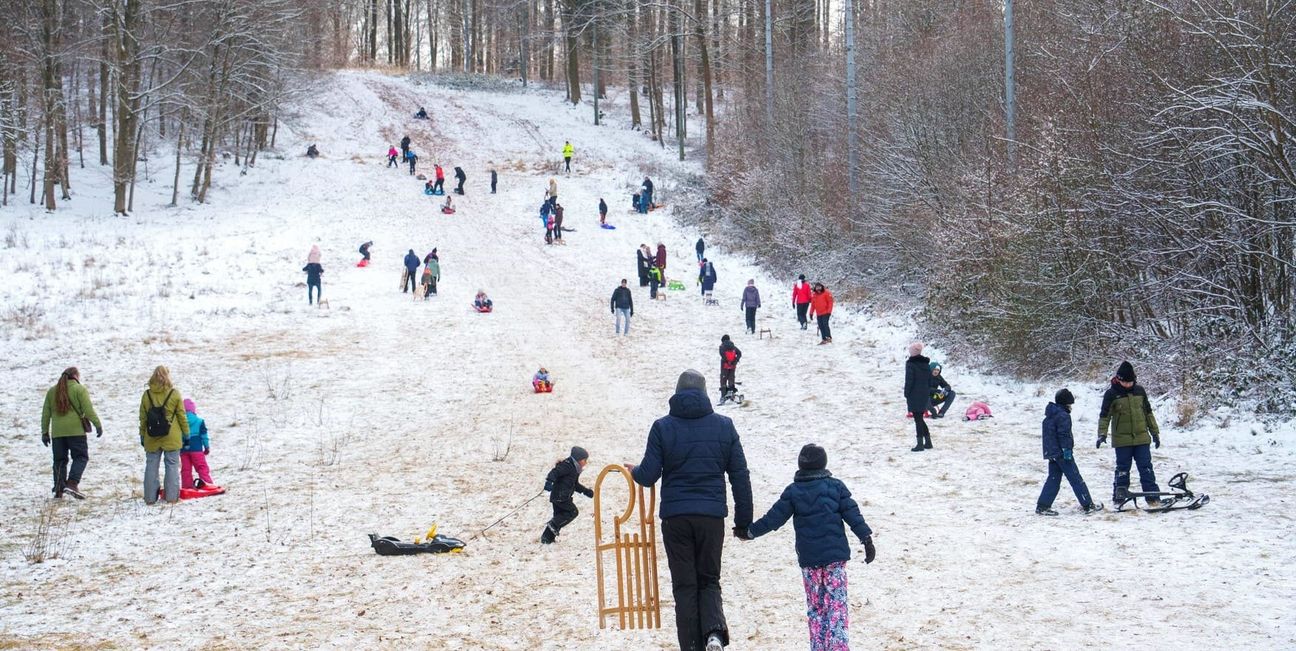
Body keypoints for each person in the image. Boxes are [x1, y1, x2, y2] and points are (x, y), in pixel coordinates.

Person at [628, 370, 751, 651]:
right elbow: (740, 475)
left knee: (685, 585)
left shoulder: (662, 427)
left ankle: (692, 646)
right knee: (709, 579)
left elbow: (648, 476)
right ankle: (714, 633)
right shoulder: (725, 426)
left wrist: (634, 471)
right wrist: (743, 521)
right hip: (711, 517)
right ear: (705, 393)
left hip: (676, 518)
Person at [737, 444, 875, 651]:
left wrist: (750, 532)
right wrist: (866, 539)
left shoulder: (794, 491)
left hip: (810, 560)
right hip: (834, 560)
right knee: (836, 605)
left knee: (816, 606)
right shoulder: (836, 487)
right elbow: (852, 515)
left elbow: (774, 519)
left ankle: (818, 646)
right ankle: (838, 647)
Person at [1097, 361, 1162, 506]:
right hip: (1122, 440)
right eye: (1125, 382)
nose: (1128, 385)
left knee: (1146, 468)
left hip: (1142, 438)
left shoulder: (1140, 391)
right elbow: (1104, 416)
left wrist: (1155, 433)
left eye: (1130, 382)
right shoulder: (1111, 394)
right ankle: (1120, 496)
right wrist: (1102, 434)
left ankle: (1153, 496)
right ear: (1119, 379)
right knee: (1122, 469)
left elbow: (1148, 413)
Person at [41, 367, 103, 499]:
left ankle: (59, 489)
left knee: (59, 461)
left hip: (57, 433)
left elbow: (46, 414)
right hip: (76, 432)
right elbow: (88, 410)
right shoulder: (79, 389)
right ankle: (72, 483)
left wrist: (45, 432)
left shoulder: (52, 391)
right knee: (81, 457)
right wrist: (97, 425)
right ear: (75, 376)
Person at [1037, 390, 1101, 515]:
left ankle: (1043, 506)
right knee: (1075, 478)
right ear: (1066, 404)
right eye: (1070, 404)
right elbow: (1064, 435)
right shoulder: (1063, 416)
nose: (1071, 407)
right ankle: (1088, 504)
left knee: (1053, 479)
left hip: (1052, 453)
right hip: (1062, 454)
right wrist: (1067, 450)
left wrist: (1050, 453)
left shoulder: (1050, 415)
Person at [139, 365, 189, 505]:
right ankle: (171, 498)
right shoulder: (174, 394)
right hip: (171, 436)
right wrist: (186, 434)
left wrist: (142, 434)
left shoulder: (146, 395)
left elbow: (143, 417)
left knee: (151, 466)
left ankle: (149, 499)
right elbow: (181, 416)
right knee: (172, 465)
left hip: (151, 435)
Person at [542, 446, 593, 543]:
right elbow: (554, 472)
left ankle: (547, 539)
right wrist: (549, 482)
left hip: (562, 497)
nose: (586, 462)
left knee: (558, 516)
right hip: (560, 497)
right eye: (584, 460)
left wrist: (585, 491)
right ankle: (552, 525)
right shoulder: (567, 465)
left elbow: (575, 485)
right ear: (578, 459)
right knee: (572, 512)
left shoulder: (575, 469)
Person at [904, 342, 933, 452]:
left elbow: (909, 380)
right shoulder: (926, 364)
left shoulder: (911, 364)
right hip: (924, 393)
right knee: (919, 418)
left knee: (918, 418)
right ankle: (928, 441)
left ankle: (920, 444)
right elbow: (929, 380)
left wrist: (906, 393)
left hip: (914, 394)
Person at [180, 399, 214, 489]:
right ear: (193, 409)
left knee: (186, 470)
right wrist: (206, 447)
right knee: (201, 467)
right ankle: (207, 485)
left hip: (183, 450)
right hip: (197, 449)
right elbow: (204, 436)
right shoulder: (199, 421)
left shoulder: (179, 422)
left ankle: (187, 487)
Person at [718, 335, 742, 402]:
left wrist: (727, 362)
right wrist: (735, 361)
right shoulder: (733, 346)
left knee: (723, 379)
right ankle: (732, 394)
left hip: (725, 366)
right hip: (733, 365)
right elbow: (739, 353)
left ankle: (723, 395)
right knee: (731, 378)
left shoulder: (721, 347)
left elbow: (722, 355)